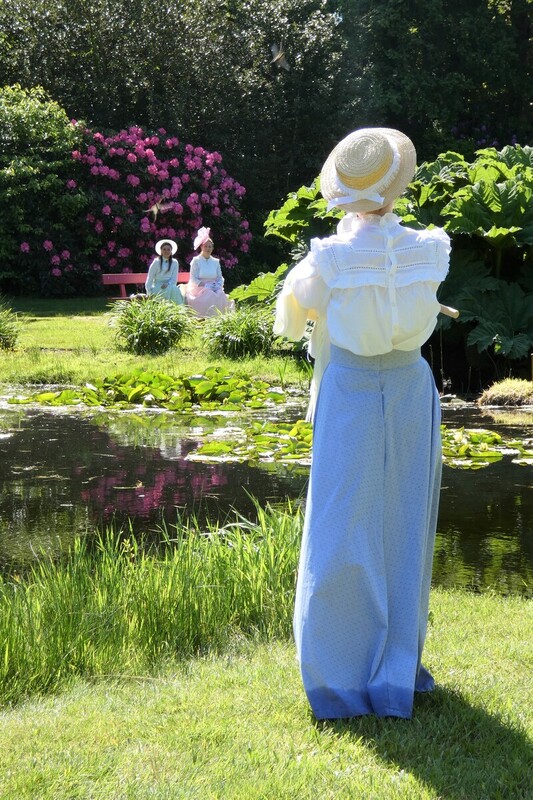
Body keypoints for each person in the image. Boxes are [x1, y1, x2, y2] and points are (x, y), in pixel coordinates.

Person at [273, 127, 451, 720]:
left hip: (351, 387)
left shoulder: (328, 260)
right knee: (402, 525)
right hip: (410, 387)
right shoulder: (428, 248)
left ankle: (341, 677)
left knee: (340, 525)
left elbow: (290, 321)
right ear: (395, 187)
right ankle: (395, 665)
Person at [185, 227, 235, 316]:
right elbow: (193, 278)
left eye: (210, 246)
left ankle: (220, 318)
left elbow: (219, 277)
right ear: (201, 247)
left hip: (214, 286)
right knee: (209, 294)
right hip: (199, 288)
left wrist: (218, 285)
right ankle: (207, 317)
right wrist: (205, 285)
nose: (208, 248)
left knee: (220, 294)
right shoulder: (196, 261)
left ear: (212, 248)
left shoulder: (215, 262)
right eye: (205, 246)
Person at [145, 239, 184, 304]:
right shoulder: (156, 262)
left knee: (175, 289)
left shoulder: (175, 262)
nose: (166, 251)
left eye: (168, 249)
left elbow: (174, 279)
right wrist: (149, 293)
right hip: (158, 287)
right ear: (161, 251)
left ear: (171, 251)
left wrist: (168, 284)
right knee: (171, 289)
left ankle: (177, 311)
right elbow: (150, 278)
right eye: (164, 249)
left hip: (170, 286)